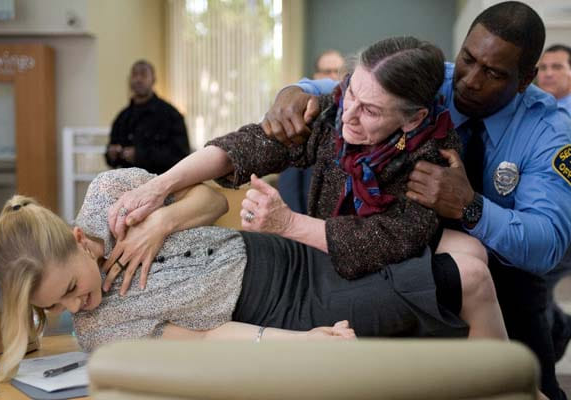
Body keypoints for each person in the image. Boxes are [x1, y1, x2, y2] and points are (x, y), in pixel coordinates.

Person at [107, 37, 509, 348]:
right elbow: (251, 145)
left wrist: (286, 223)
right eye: (351, 92)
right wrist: (160, 185)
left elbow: (390, 240)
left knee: (471, 255)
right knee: (468, 258)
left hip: (361, 261)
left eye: (370, 110)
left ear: (413, 119)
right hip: (322, 260)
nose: (349, 116)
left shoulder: (433, 156)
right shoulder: (333, 112)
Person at [260, 3, 571, 399]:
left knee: (528, 388)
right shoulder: (435, 80)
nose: (470, 81)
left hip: (508, 282)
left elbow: (548, 244)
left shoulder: (548, 131)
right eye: (468, 59)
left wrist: (470, 207)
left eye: (493, 73)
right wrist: (295, 91)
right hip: (411, 263)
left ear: (526, 79)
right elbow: (349, 89)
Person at [0, 172, 360, 382]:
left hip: (279, 250)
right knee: (383, 316)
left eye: (70, 288)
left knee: (378, 256)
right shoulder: (98, 330)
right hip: (279, 311)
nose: (73, 307)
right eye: (53, 306)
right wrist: (301, 341)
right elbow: (206, 338)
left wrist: (161, 223)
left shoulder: (108, 192)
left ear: (78, 240)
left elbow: (215, 201)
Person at [278, 50, 346, 214]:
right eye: (327, 71)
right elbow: (290, 178)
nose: (332, 77)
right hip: (306, 210)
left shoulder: (354, 109)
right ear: (317, 76)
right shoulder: (302, 113)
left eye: (337, 71)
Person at [537, 43, 571, 362]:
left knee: (535, 284)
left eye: (557, 67)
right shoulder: (540, 111)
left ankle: (544, 363)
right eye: (543, 68)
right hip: (548, 216)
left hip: (565, 221)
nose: (547, 73)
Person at [105, 60, 190, 175]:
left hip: (160, 180)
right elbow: (111, 154)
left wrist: (140, 155)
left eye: (143, 74)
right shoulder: (122, 117)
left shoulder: (170, 115)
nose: (138, 79)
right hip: (127, 182)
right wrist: (112, 154)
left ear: (153, 79)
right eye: (134, 75)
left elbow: (181, 154)